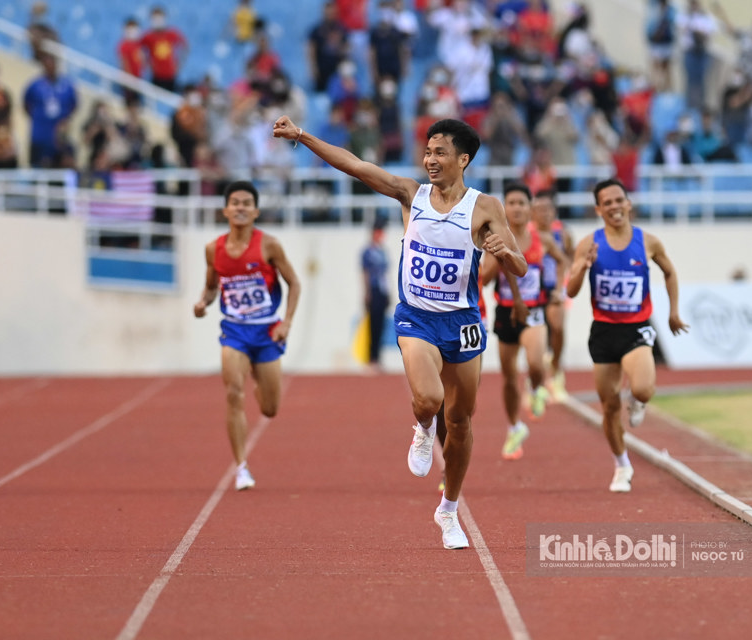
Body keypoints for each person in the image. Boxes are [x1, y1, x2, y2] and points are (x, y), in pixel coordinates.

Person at [273, 115, 526, 549]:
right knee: (429, 399)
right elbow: (355, 166)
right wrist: (303, 137)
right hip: (417, 316)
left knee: (462, 422)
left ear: (463, 159)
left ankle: (448, 510)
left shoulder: (485, 208)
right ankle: (423, 427)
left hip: (462, 322)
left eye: (439, 152)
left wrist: (505, 253)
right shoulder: (412, 194)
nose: (429, 160)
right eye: (427, 152)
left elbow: (519, 265)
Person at [566, 178, 688, 493]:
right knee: (608, 407)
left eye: (618, 200)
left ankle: (636, 399)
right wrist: (583, 267)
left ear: (628, 203)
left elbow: (670, 271)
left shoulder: (647, 241)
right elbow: (571, 289)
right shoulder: (589, 243)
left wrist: (673, 311)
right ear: (598, 209)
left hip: (635, 328)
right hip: (604, 331)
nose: (614, 206)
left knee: (645, 388)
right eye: (607, 202)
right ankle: (622, 465)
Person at [193, 181, 302, 491]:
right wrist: (203, 302)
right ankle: (241, 467)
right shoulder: (213, 249)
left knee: (270, 409)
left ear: (255, 211)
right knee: (232, 392)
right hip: (235, 331)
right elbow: (212, 286)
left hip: (267, 331)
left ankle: (259, 381)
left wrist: (287, 323)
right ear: (226, 210)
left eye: (246, 203)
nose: (240, 207)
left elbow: (294, 283)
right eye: (234, 202)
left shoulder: (269, 245)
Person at [481, 182, 567, 460]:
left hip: (533, 311)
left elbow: (562, 260)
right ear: (504, 208)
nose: (517, 208)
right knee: (508, 378)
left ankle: (537, 386)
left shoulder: (543, 237)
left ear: (531, 208)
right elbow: (485, 279)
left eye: (522, 203)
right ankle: (514, 427)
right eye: (512, 203)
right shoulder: (496, 237)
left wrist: (557, 290)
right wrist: (497, 254)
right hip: (506, 313)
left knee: (534, 363)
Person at [531, 189, 573, 400]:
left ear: (554, 211)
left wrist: (561, 286)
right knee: (537, 339)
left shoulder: (562, 233)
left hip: (555, 287)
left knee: (557, 327)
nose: (544, 213)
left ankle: (556, 371)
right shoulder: (527, 232)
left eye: (548, 209)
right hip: (532, 291)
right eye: (539, 209)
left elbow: (568, 259)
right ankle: (535, 382)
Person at [361, 220, 390, 370]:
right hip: (374, 290)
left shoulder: (383, 251)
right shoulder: (368, 252)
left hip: (383, 291)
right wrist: (366, 293)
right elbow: (365, 273)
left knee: (381, 326)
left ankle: (378, 357)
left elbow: (386, 274)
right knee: (372, 326)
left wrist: (389, 292)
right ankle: (371, 357)